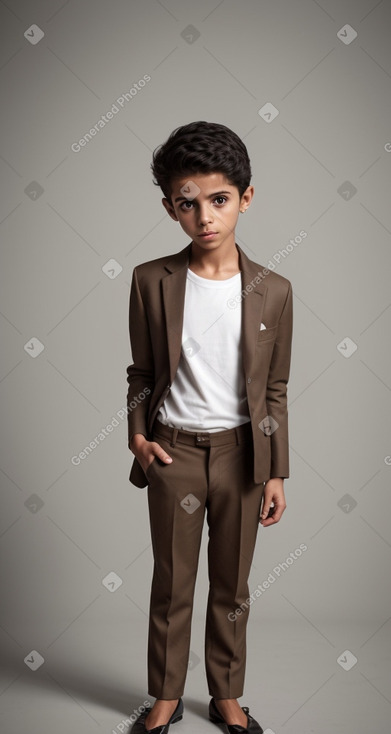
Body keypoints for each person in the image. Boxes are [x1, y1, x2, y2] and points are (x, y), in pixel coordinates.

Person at [126, 121, 293, 734]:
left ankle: (226, 694)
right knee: (172, 584)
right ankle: (165, 696)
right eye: (188, 203)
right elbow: (141, 370)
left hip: (243, 458)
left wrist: (277, 469)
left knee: (233, 584)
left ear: (245, 198)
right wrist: (137, 438)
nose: (205, 217)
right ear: (170, 206)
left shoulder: (273, 291)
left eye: (219, 200)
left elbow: (274, 389)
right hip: (172, 453)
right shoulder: (151, 281)